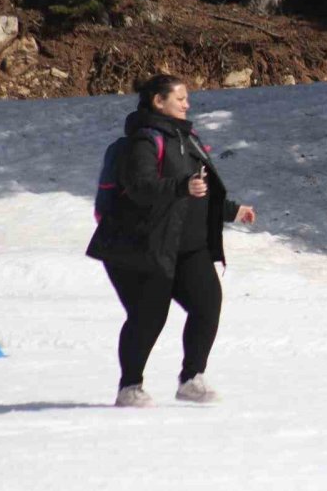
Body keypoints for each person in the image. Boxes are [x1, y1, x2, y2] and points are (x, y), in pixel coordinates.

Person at [87, 74, 256, 407]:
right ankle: (130, 386)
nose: (186, 104)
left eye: (186, 98)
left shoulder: (186, 138)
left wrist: (232, 211)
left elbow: (199, 192)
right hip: (145, 244)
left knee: (207, 303)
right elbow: (140, 186)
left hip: (187, 245)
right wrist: (181, 186)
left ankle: (192, 378)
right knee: (149, 315)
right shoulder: (144, 141)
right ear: (158, 102)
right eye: (180, 98)